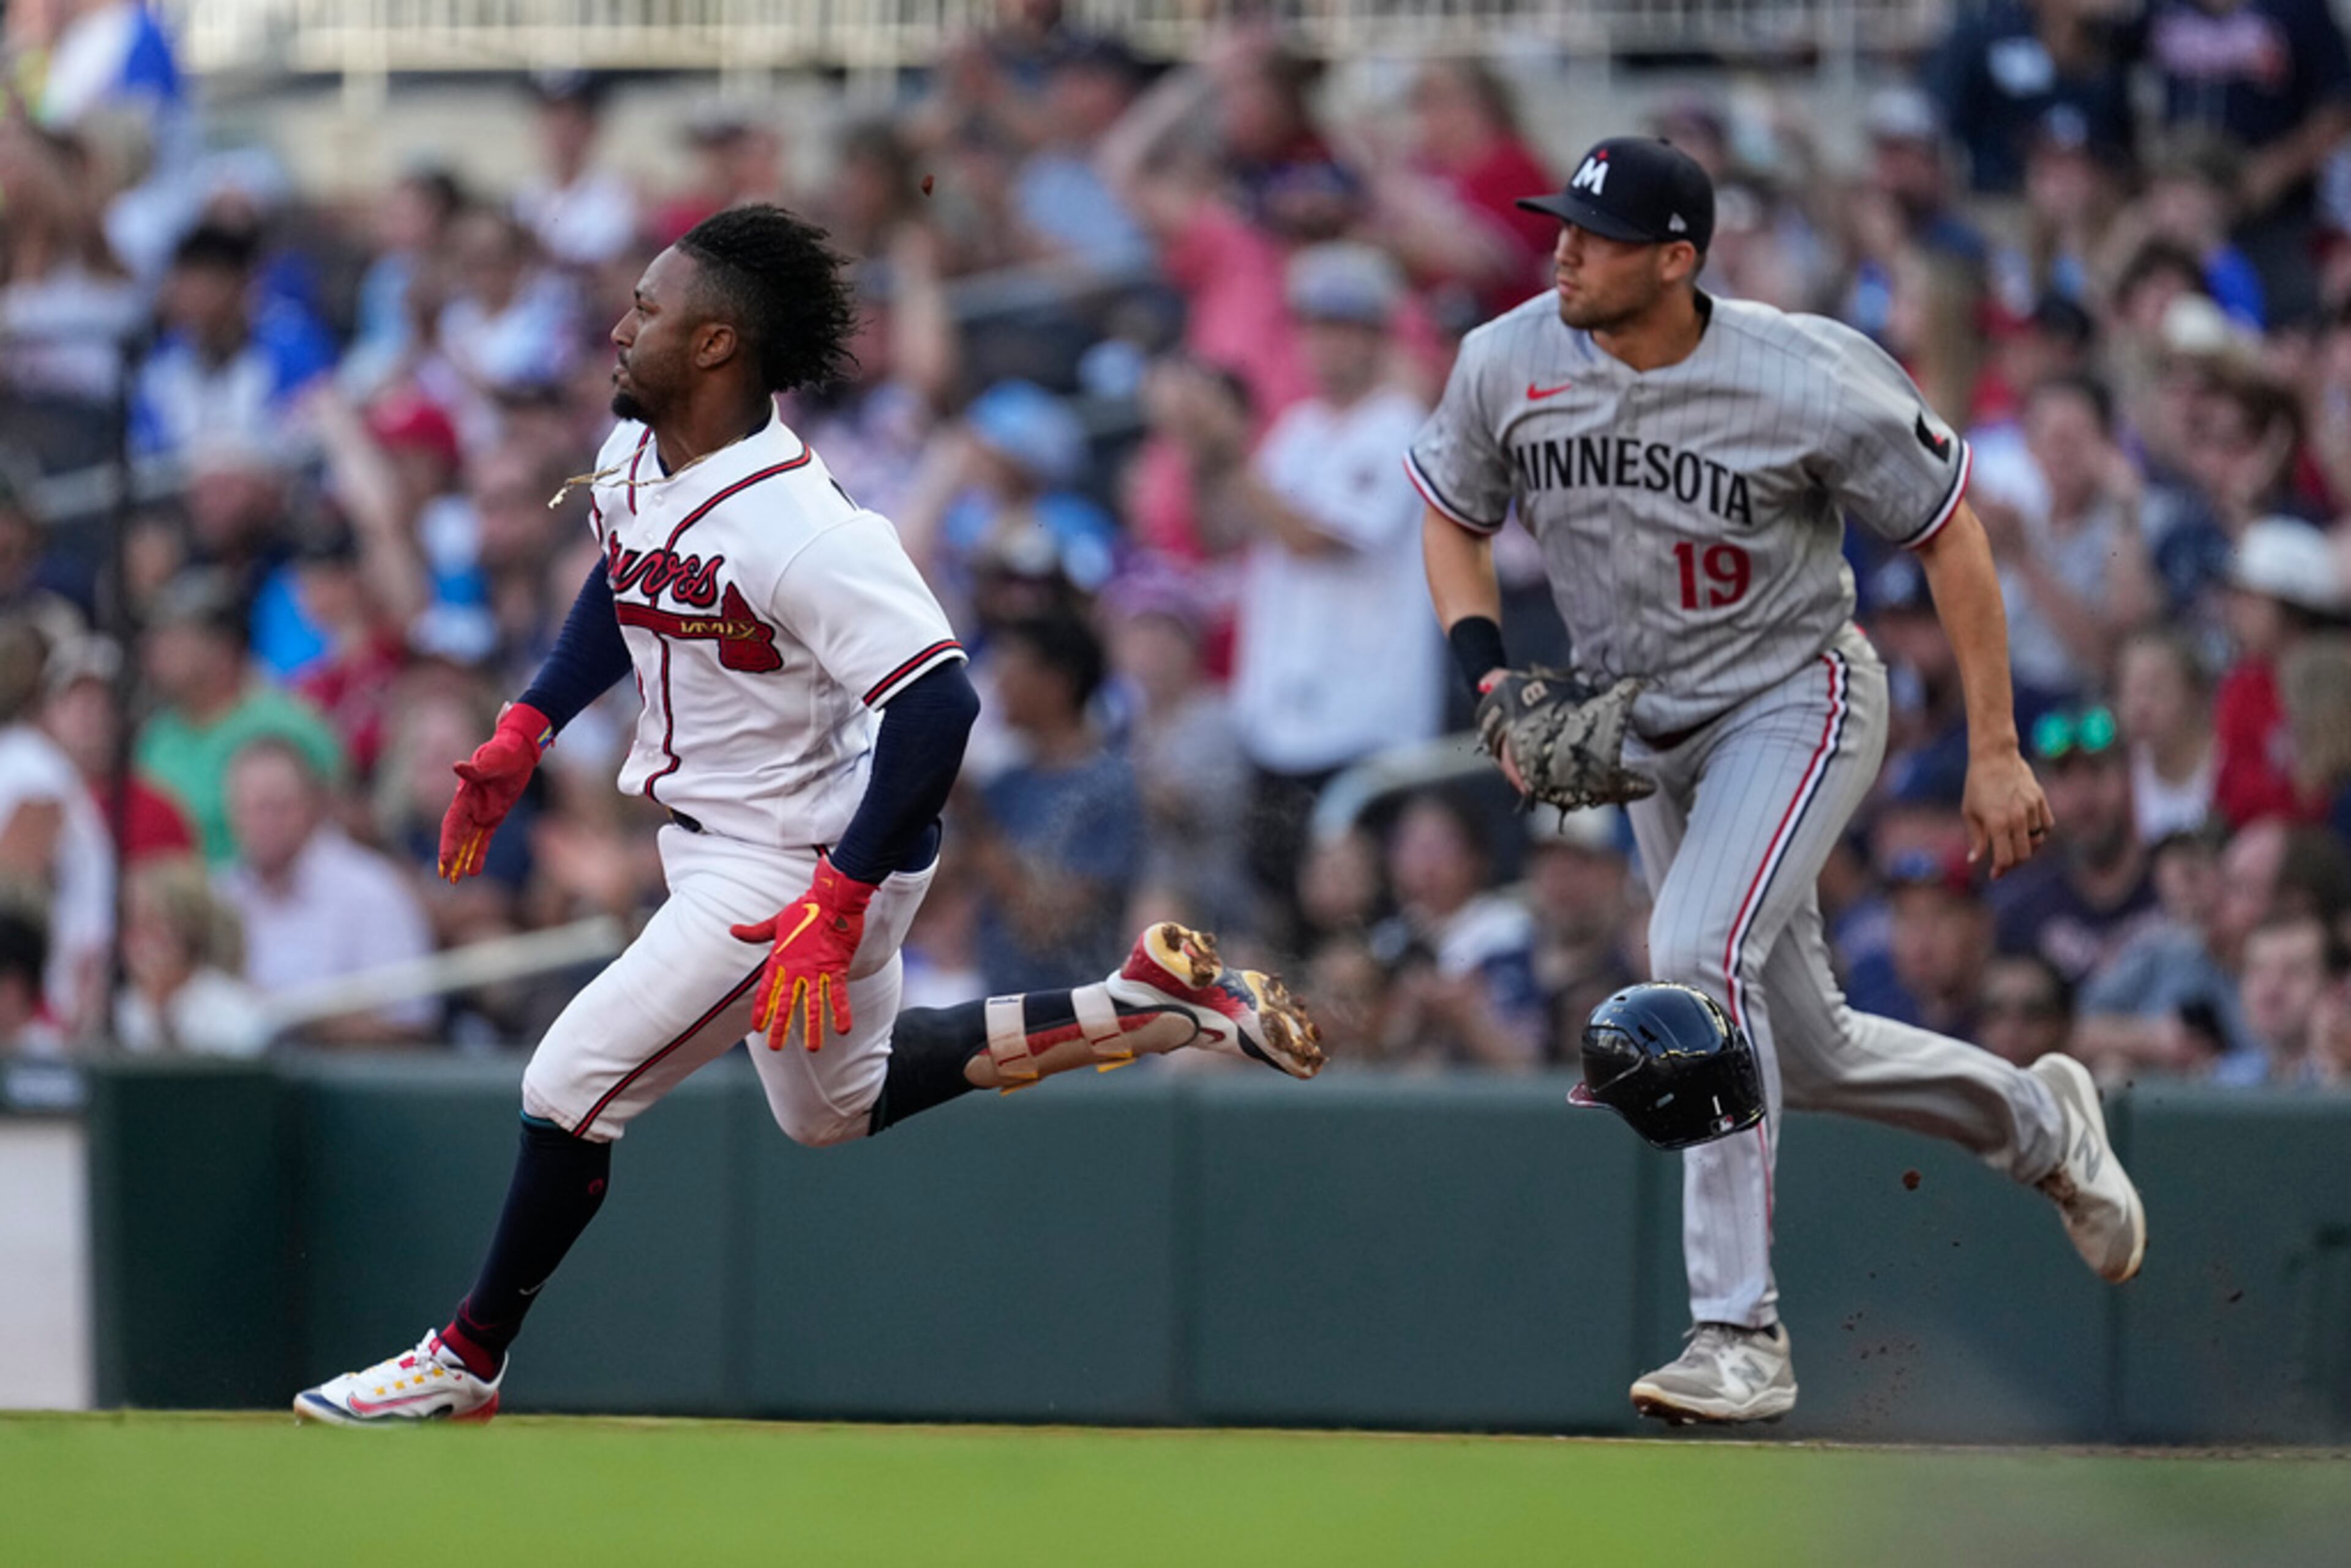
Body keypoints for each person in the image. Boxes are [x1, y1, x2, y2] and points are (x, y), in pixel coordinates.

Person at [293, 206, 1322, 1426]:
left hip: (798, 858)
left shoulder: (807, 527)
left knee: (569, 1081)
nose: (621, 326)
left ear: (719, 343)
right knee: (829, 1104)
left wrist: (834, 899)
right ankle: (1141, 1005)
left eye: (647, 309)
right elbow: (623, 581)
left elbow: (941, 708)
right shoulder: (637, 457)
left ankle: (465, 1354)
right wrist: (529, 722)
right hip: (744, 841)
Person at [1410, 137, 2143, 1427]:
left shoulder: (1804, 371)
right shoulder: (1505, 359)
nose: (1563, 249)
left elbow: (1952, 535)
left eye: (1597, 233)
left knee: (1693, 955)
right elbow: (1453, 518)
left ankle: (1737, 1328)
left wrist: (1993, 743)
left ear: (1679, 259)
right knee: (1801, 1046)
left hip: (1792, 691)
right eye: (1560, 224)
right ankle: (2043, 1124)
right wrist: (1487, 678)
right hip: (1640, 722)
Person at [216, 737, 435, 1045]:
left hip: (349, 1081)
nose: (264, 822)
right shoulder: (223, 894)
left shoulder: (371, 890)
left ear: (314, 805)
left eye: (277, 807)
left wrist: (291, 1017)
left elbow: (411, 1024)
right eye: (249, 808)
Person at [131, 569, 344, 865]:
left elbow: (338, 825)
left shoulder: (287, 724)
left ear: (223, 648)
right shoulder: (156, 739)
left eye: (175, 637)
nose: (157, 650)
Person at [1990, 703, 2162, 983]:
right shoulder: (2022, 915)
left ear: (2131, 776)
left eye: (2097, 771)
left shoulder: (2174, 889)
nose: (2083, 797)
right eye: (2064, 778)